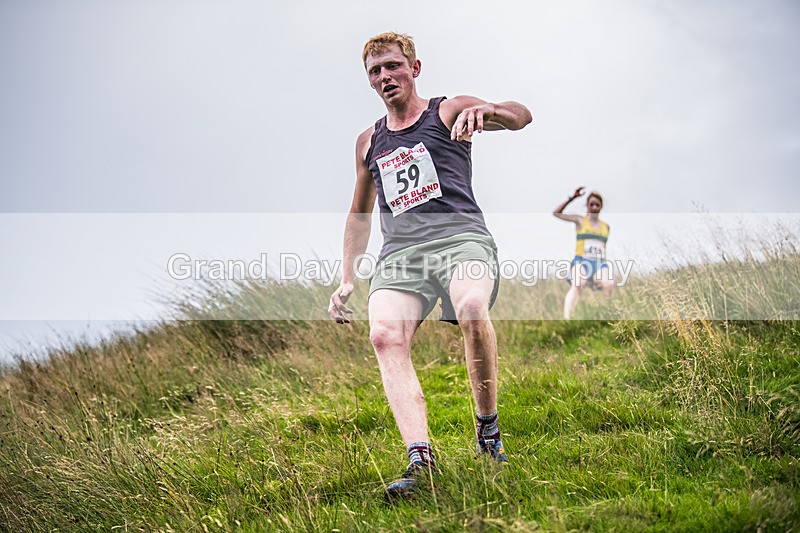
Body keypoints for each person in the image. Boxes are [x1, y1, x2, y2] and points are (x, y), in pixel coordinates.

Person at [328, 32, 532, 498]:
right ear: (370, 82)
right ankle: (421, 462)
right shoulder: (367, 143)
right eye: (376, 71)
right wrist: (346, 277)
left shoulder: (448, 109)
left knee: (472, 308)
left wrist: (491, 112)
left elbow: (522, 115)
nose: (385, 76)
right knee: (382, 335)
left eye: (393, 66)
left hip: (462, 239)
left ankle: (488, 435)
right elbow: (359, 214)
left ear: (414, 69)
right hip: (401, 256)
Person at [552, 186, 614, 320]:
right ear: (587, 206)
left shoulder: (606, 227)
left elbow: (603, 248)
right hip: (581, 262)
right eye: (591, 204)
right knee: (578, 283)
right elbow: (556, 213)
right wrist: (572, 198)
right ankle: (567, 318)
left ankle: (606, 317)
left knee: (609, 283)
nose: (594, 207)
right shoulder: (580, 221)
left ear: (601, 207)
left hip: (599, 264)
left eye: (597, 205)